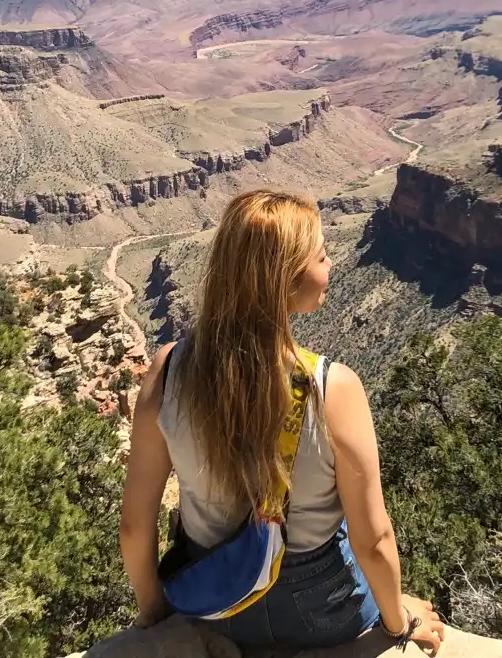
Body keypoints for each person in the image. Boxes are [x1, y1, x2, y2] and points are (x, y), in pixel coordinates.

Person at [120, 190, 446, 654]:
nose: (332, 264)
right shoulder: (333, 387)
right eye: (321, 255)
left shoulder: (168, 371)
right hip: (321, 610)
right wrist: (400, 623)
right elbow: (373, 538)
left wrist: (157, 616)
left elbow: (135, 524)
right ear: (285, 280)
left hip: (215, 605)